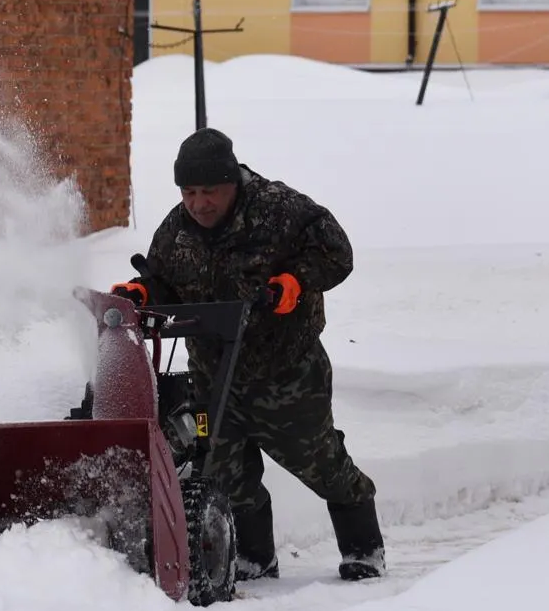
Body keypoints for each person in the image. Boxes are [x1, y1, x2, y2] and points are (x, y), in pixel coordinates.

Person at [112, 128, 384, 581]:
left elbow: (337, 254)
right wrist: (142, 292)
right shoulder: (177, 228)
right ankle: (254, 557)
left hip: (284, 370)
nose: (198, 204)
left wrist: (294, 282)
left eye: (209, 192)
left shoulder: (280, 209)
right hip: (214, 373)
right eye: (189, 192)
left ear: (232, 183)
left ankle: (363, 549)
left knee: (320, 464)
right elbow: (165, 280)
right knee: (225, 471)